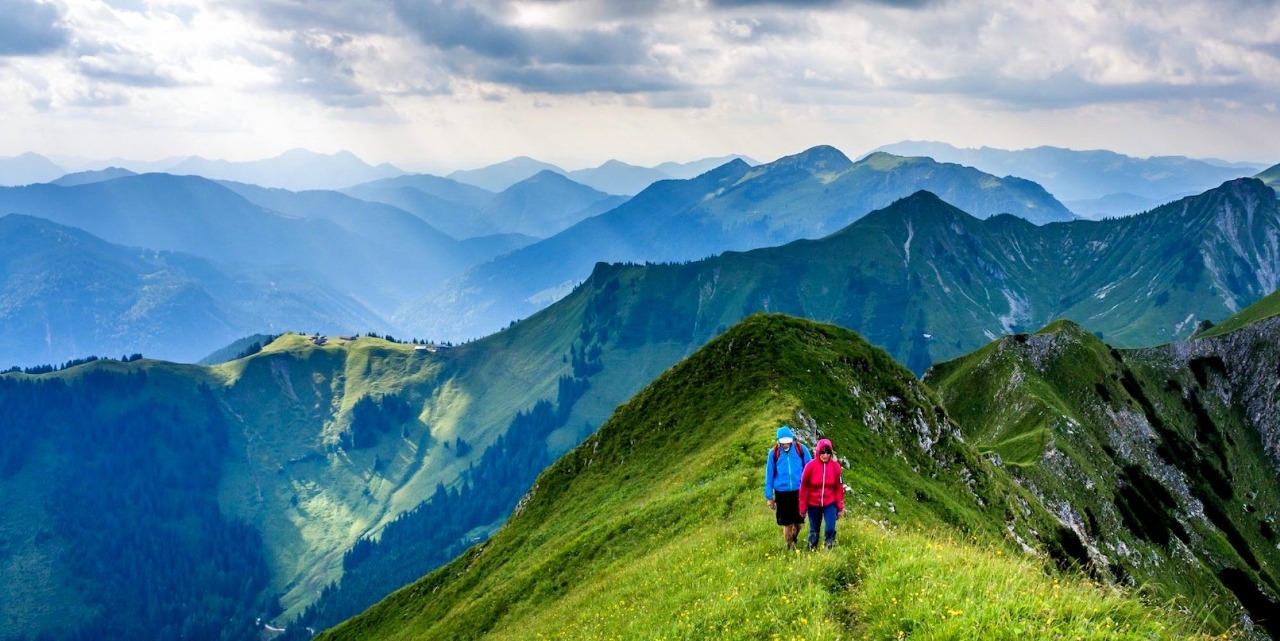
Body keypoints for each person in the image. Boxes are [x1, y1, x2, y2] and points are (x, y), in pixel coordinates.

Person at [763, 426, 811, 550]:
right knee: (787, 524)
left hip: (799, 492)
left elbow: (810, 469)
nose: (785, 444)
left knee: (799, 523)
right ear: (778, 441)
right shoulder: (773, 453)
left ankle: (794, 538)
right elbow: (769, 475)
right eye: (782, 442)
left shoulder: (801, 449)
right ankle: (789, 547)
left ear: (792, 440)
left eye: (787, 441)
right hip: (782, 494)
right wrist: (769, 497)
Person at [798, 438, 844, 550]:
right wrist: (802, 508)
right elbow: (803, 487)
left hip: (830, 502)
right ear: (818, 452)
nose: (825, 455)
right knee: (814, 530)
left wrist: (840, 507)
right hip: (813, 503)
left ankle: (829, 547)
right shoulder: (810, 467)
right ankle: (811, 549)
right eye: (822, 452)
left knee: (830, 528)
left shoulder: (836, 467)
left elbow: (838, 487)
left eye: (828, 452)